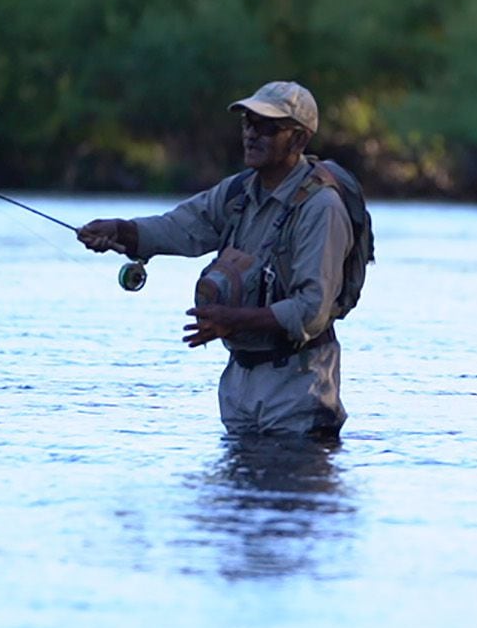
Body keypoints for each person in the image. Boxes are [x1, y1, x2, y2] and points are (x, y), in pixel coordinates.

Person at [77, 81, 353, 440]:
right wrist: (120, 230)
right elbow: (180, 227)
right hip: (238, 388)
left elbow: (312, 310)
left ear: (299, 140)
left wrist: (233, 320)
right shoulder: (238, 192)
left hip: (298, 389)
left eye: (267, 126)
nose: (252, 134)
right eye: (247, 123)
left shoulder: (321, 208)